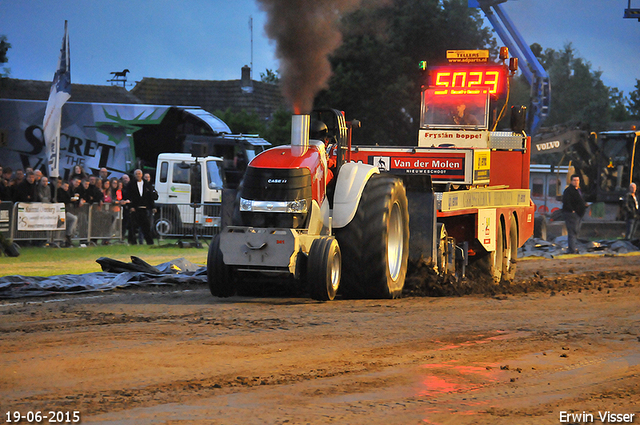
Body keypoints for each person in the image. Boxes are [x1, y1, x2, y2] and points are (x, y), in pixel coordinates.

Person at [124, 169, 156, 245]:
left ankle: (149, 242)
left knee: (146, 226)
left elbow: (150, 197)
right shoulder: (131, 184)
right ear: (134, 175)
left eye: (139, 174)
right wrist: (130, 206)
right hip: (135, 208)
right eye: (136, 174)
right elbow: (128, 196)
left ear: (141, 175)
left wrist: (153, 207)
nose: (138, 175)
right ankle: (132, 241)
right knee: (133, 226)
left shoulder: (147, 184)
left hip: (144, 208)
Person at [562, 174, 587, 254]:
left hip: (579, 215)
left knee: (576, 232)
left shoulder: (578, 190)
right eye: (574, 180)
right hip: (571, 214)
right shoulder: (569, 191)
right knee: (572, 232)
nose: (576, 182)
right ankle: (572, 250)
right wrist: (572, 210)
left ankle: (574, 248)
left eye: (577, 180)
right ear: (571, 181)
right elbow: (566, 201)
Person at [56, 181, 78, 247]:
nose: (66, 188)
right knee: (60, 225)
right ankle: (58, 241)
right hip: (59, 211)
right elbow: (64, 200)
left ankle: (68, 234)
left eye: (67, 187)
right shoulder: (59, 191)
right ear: (61, 185)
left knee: (74, 218)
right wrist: (71, 200)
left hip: (65, 211)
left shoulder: (67, 192)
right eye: (65, 186)